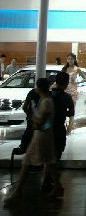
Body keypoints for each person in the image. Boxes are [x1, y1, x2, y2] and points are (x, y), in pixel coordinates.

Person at [5, 78, 63, 206]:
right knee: (48, 161)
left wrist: (35, 120)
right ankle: (57, 186)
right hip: (42, 135)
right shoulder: (45, 100)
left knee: (29, 162)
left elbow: (40, 121)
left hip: (41, 136)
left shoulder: (46, 102)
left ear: (39, 88)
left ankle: (18, 192)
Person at [41, 71, 74, 192]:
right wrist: (62, 112)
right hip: (59, 129)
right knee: (56, 156)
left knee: (48, 156)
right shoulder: (67, 97)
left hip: (47, 128)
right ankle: (52, 182)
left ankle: (46, 180)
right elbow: (71, 113)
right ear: (67, 83)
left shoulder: (47, 95)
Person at [13, 86, 40, 155]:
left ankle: (23, 148)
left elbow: (24, 107)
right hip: (41, 122)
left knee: (28, 134)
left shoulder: (32, 92)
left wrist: (29, 115)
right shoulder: (47, 95)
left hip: (31, 119)